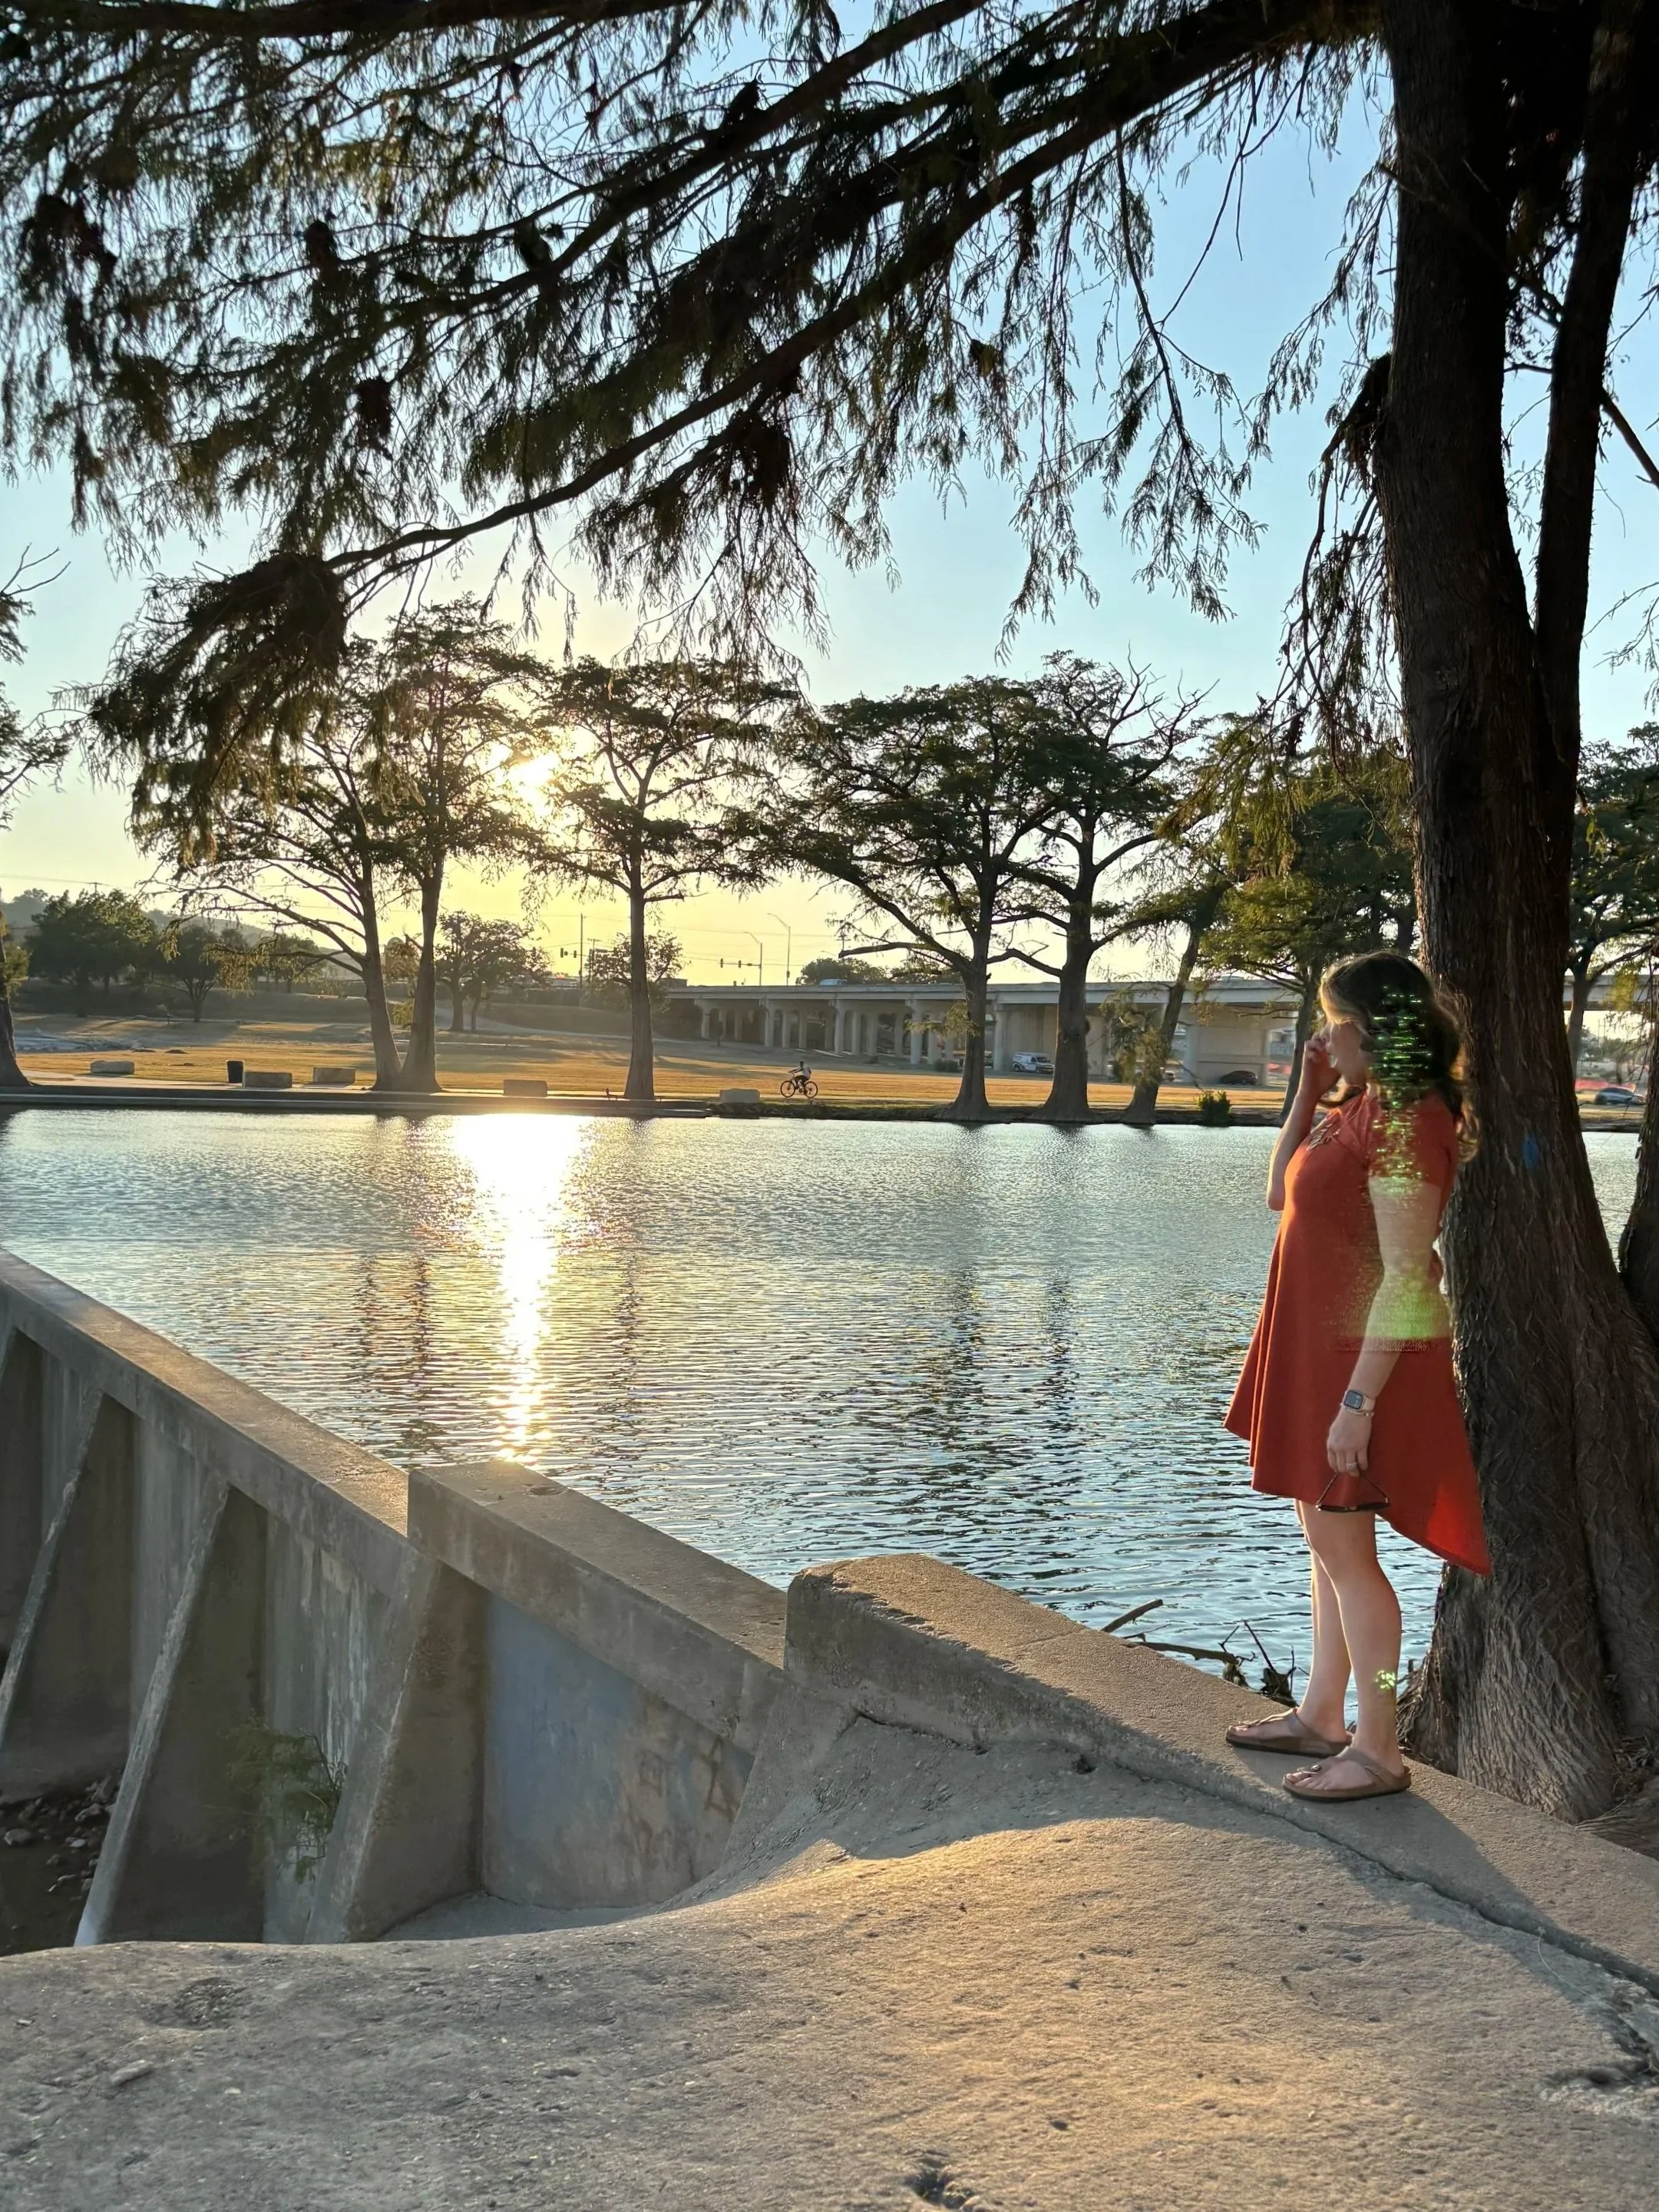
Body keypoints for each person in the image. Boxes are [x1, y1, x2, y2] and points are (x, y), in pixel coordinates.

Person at [1221, 950, 1490, 1802]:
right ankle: (1321, 1713)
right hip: (1319, 1353)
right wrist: (1306, 1093)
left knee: (1349, 1559)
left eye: (1333, 1018)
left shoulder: (1410, 1124)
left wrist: (1356, 1404)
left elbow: (1409, 1278)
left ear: (1372, 1028)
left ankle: (1379, 1744)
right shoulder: (1361, 1107)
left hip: (1360, 1366)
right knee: (1327, 1549)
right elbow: (1280, 1194)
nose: (1321, 1032)